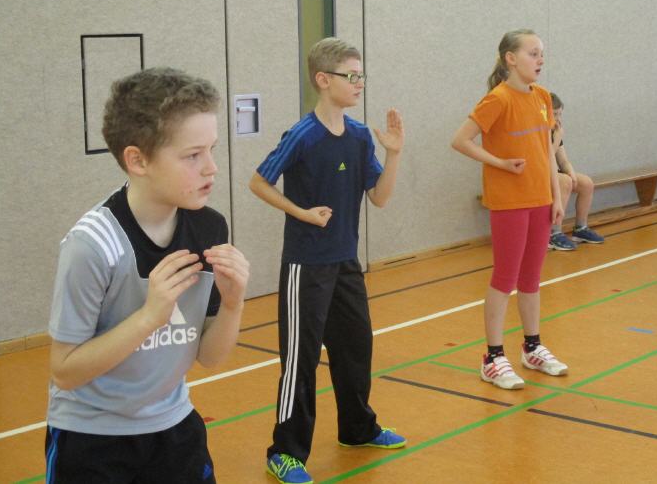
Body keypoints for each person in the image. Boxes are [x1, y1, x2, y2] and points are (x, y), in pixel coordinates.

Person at [45, 68, 250, 483]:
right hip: (93, 438)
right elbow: (65, 370)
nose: (211, 168)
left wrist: (232, 304)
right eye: (193, 155)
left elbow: (210, 358)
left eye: (211, 150)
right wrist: (149, 317)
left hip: (174, 428)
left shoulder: (208, 227)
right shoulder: (92, 245)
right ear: (137, 160)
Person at [249, 37, 406, 484]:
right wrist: (301, 212)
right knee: (300, 360)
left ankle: (358, 429)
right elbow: (259, 182)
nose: (359, 83)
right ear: (323, 79)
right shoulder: (303, 135)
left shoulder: (358, 136)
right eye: (350, 76)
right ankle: (285, 451)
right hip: (306, 265)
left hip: (345, 262)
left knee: (355, 347)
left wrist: (394, 153)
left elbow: (379, 197)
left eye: (361, 75)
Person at [451, 28, 568, 391]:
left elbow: (546, 150)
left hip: (540, 200)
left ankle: (532, 347)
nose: (540, 60)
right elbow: (460, 140)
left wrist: (556, 195)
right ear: (511, 59)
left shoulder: (542, 97)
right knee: (505, 278)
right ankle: (492, 357)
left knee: (531, 278)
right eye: (533, 53)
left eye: (542, 53)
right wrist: (500, 163)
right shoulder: (497, 99)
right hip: (509, 203)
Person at [547, 92, 605, 250]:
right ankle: (553, 233)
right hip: (539, 173)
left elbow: (563, 161)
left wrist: (571, 173)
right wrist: (557, 139)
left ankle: (580, 228)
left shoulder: (555, 131)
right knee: (564, 182)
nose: (558, 119)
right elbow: (544, 160)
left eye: (560, 114)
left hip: (553, 172)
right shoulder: (540, 132)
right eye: (554, 114)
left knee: (586, 183)